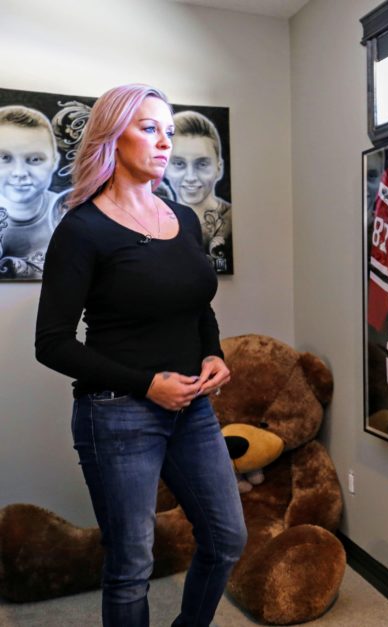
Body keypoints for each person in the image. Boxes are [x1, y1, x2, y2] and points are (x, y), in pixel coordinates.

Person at [34, 84, 246, 627]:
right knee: (131, 564)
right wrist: (146, 384)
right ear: (113, 135)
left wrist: (213, 352)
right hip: (117, 413)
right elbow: (51, 343)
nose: (163, 143)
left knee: (226, 538)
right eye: (149, 128)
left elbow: (196, 305)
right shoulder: (82, 229)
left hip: (192, 409)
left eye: (169, 131)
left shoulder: (185, 220)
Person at [0, 105, 66, 278]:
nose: (20, 173)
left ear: (54, 162)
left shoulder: (69, 216)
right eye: (4, 158)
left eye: (35, 159)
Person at [164, 110, 231, 272]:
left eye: (202, 164)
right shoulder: (155, 224)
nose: (191, 177)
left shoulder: (232, 222)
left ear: (219, 168)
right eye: (179, 164)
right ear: (165, 168)